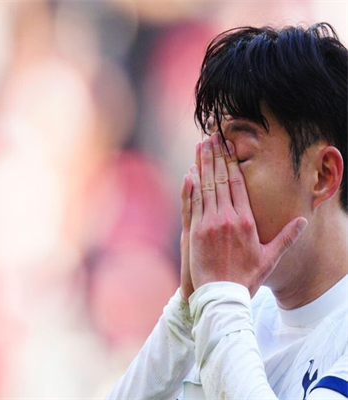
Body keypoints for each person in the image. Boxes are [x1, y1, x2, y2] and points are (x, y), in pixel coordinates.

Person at [106, 23, 348, 400]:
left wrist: (219, 298)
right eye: (211, 157)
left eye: (238, 157)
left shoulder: (229, 313)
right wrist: (185, 314)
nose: (210, 182)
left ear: (322, 174)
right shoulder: (237, 312)